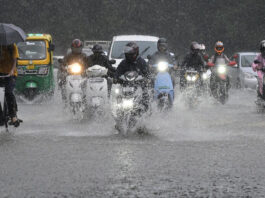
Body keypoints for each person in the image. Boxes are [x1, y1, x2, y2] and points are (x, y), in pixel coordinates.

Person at [115, 42, 150, 111]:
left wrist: (147, 78)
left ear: (135, 52)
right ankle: (117, 110)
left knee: (145, 93)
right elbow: (118, 71)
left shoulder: (141, 62)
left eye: (130, 52)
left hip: (139, 85)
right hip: (125, 86)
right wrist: (115, 78)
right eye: (127, 52)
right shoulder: (123, 63)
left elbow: (147, 72)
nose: (128, 54)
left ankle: (145, 110)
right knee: (116, 94)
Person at [0, 44, 20, 127]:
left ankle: (13, 116)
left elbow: (15, 60)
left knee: (8, 92)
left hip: (11, 74)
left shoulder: (12, 46)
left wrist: (12, 71)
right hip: (0, 73)